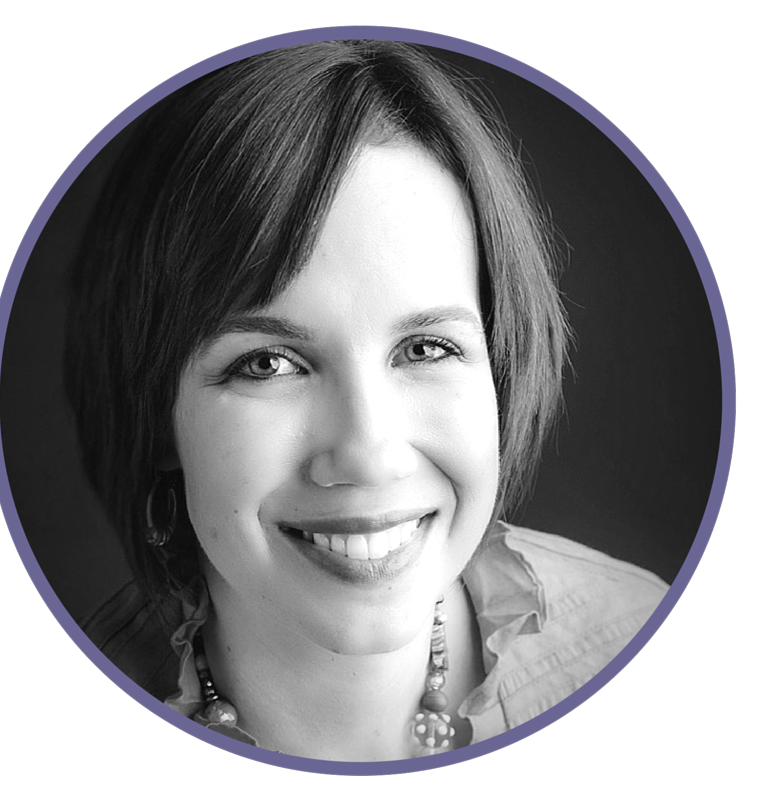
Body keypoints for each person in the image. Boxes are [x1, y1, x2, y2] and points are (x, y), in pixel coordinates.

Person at [65, 40, 669, 762]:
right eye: (267, 364)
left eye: (426, 349)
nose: (368, 455)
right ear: (157, 417)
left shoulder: (664, 656)